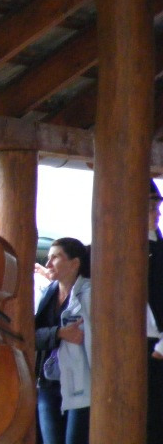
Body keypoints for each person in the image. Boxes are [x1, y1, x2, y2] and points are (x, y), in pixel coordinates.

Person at [34, 237, 91, 444]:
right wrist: (59, 333)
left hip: (81, 383)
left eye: (55, 258)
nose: (48, 264)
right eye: (48, 258)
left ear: (75, 263)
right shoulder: (48, 293)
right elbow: (30, 336)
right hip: (48, 383)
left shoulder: (90, 294)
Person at [146, 179, 163, 443]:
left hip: (156, 347)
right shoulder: (102, 250)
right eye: (150, 207)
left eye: (156, 207)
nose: (157, 213)